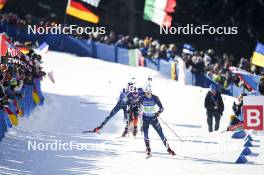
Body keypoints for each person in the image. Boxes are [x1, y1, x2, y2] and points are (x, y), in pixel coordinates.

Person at [139, 84, 175, 156]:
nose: (147, 94)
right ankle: (148, 148)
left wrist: (158, 112)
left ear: (150, 91)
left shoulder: (155, 98)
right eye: (145, 92)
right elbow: (137, 106)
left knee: (161, 133)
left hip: (153, 119)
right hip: (145, 119)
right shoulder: (142, 98)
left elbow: (162, 108)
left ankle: (168, 148)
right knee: (145, 133)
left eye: (148, 92)